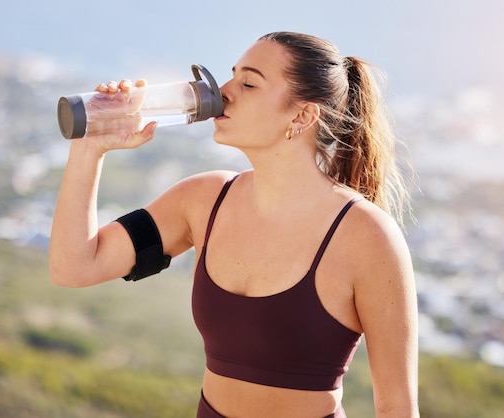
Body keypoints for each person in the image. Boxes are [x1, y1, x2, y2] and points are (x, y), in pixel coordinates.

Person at [49, 31, 419, 418]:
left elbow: (397, 408)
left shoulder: (367, 235)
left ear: (303, 115)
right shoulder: (204, 199)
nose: (224, 91)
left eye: (249, 83)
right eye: (232, 76)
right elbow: (75, 266)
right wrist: (90, 146)